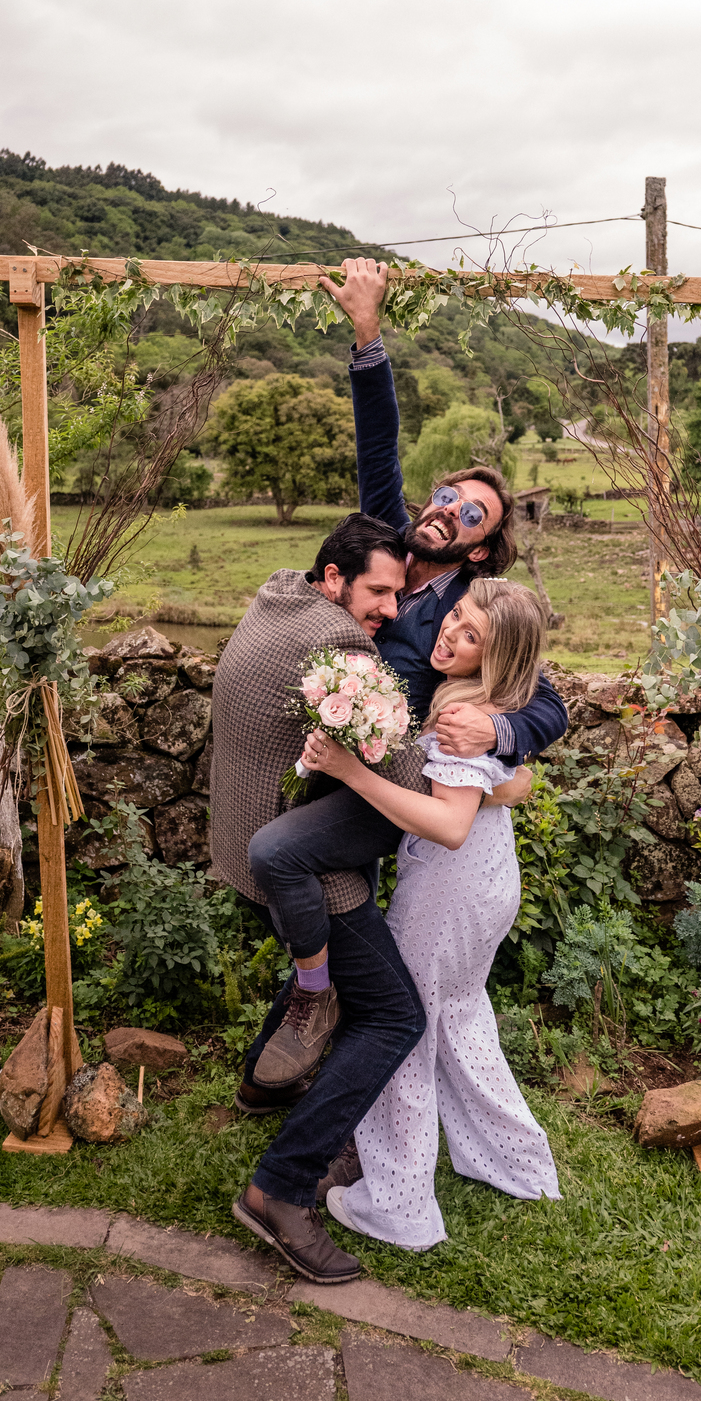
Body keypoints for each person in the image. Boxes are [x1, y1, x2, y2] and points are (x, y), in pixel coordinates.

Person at [246, 256, 568, 1087]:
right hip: (334, 766)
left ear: (482, 548)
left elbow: (551, 702)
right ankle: (282, 1081)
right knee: (332, 920)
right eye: (448, 495)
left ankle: (302, 1071)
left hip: (389, 785)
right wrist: (367, 337)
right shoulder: (385, 544)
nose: (448, 510)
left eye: (472, 514)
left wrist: (499, 729)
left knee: (320, 904)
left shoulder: (471, 604)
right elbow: (378, 446)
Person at [302, 578, 561, 1249]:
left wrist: (352, 772)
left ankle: (400, 1206)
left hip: (449, 890)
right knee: (460, 1015)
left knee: (401, 1030)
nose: (450, 632)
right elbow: (509, 783)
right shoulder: (479, 706)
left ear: (496, 659)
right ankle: (518, 1166)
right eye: (458, 617)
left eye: (473, 636)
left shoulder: (463, 716)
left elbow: (449, 824)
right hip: (487, 882)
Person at [211, 511, 429, 1284]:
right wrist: (463, 756)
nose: (391, 610)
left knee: (323, 979)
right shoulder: (339, 641)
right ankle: (281, 1188)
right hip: (307, 870)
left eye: (399, 595)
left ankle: (262, 1083)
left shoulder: (277, 595)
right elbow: (404, 776)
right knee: (393, 1015)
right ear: (334, 579)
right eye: (379, 592)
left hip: (248, 843)